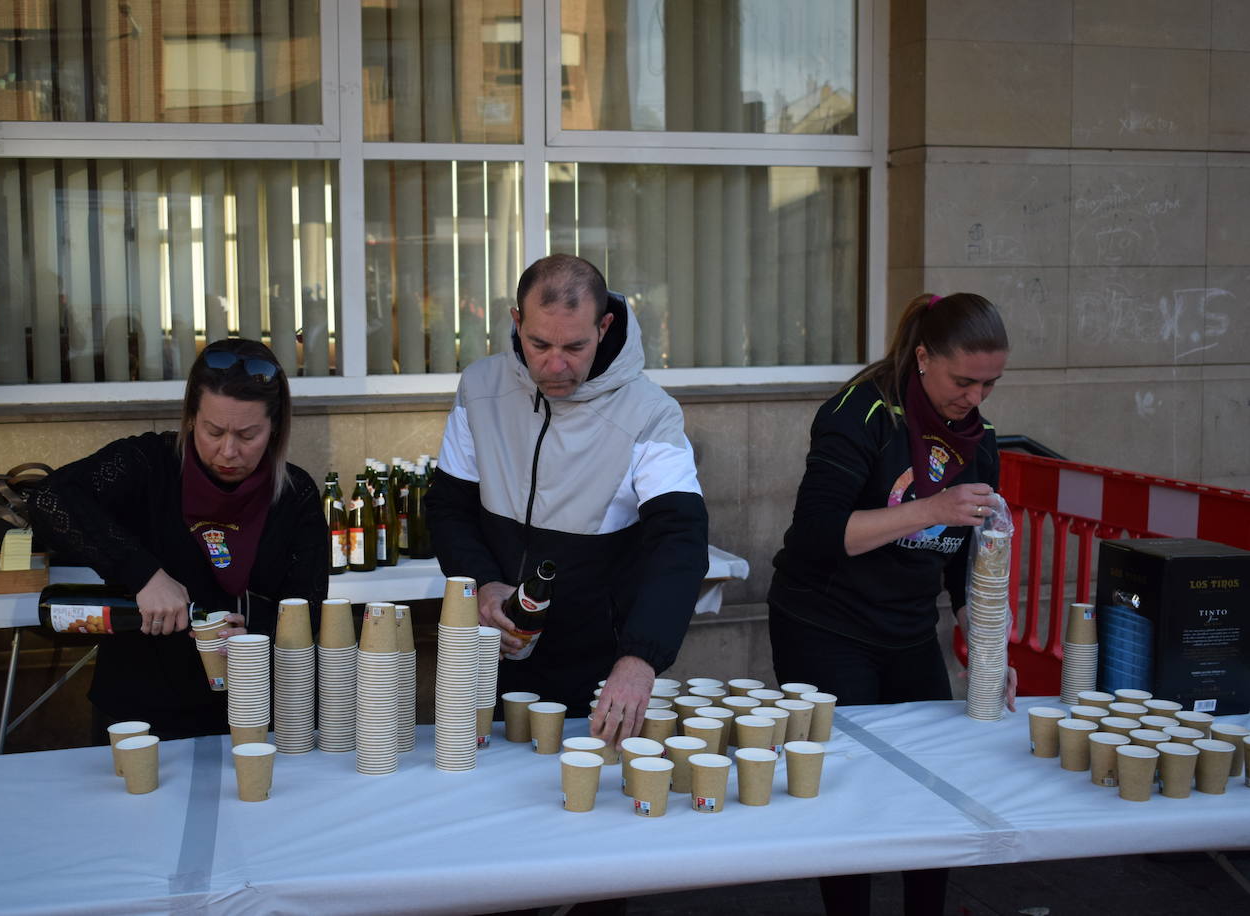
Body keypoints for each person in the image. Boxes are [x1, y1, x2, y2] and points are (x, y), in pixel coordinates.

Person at [767, 292, 1013, 916]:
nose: (976, 399)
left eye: (991, 384)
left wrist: (986, 650)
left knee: (929, 785)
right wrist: (930, 510)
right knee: (850, 788)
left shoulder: (978, 442)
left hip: (906, 626)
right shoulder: (861, 414)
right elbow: (817, 534)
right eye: (964, 381)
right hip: (824, 621)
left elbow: (962, 560)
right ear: (924, 358)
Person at [426, 253, 708, 746]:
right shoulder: (479, 386)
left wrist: (641, 658)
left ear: (604, 326)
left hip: (598, 667)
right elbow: (449, 507)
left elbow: (680, 540)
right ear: (516, 322)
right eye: (539, 344)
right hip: (492, 654)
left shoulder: (651, 413)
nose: (555, 365)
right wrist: (485, 585)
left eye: (575, 346)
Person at [29, 338, 329, 741]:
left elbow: (308, 609)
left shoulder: (296, 494)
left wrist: (258, 634)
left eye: (248, 434)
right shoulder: (149, 465)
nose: (228, 450)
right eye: (213, 430)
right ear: (190, 418)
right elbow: (50, 498)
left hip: (254, 712)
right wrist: (145, 574)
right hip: (140, 709)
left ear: (274, 427)